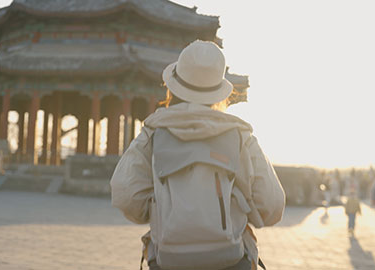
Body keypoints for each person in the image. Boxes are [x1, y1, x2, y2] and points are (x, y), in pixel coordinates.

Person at [110, 40, 285, 270]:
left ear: (173, 87)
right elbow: (272, 206)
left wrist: (160, 209)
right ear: (218, 92)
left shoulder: (152, 133)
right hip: (231, 259)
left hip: (168, 261)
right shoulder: (241, 136)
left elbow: (125, 195)